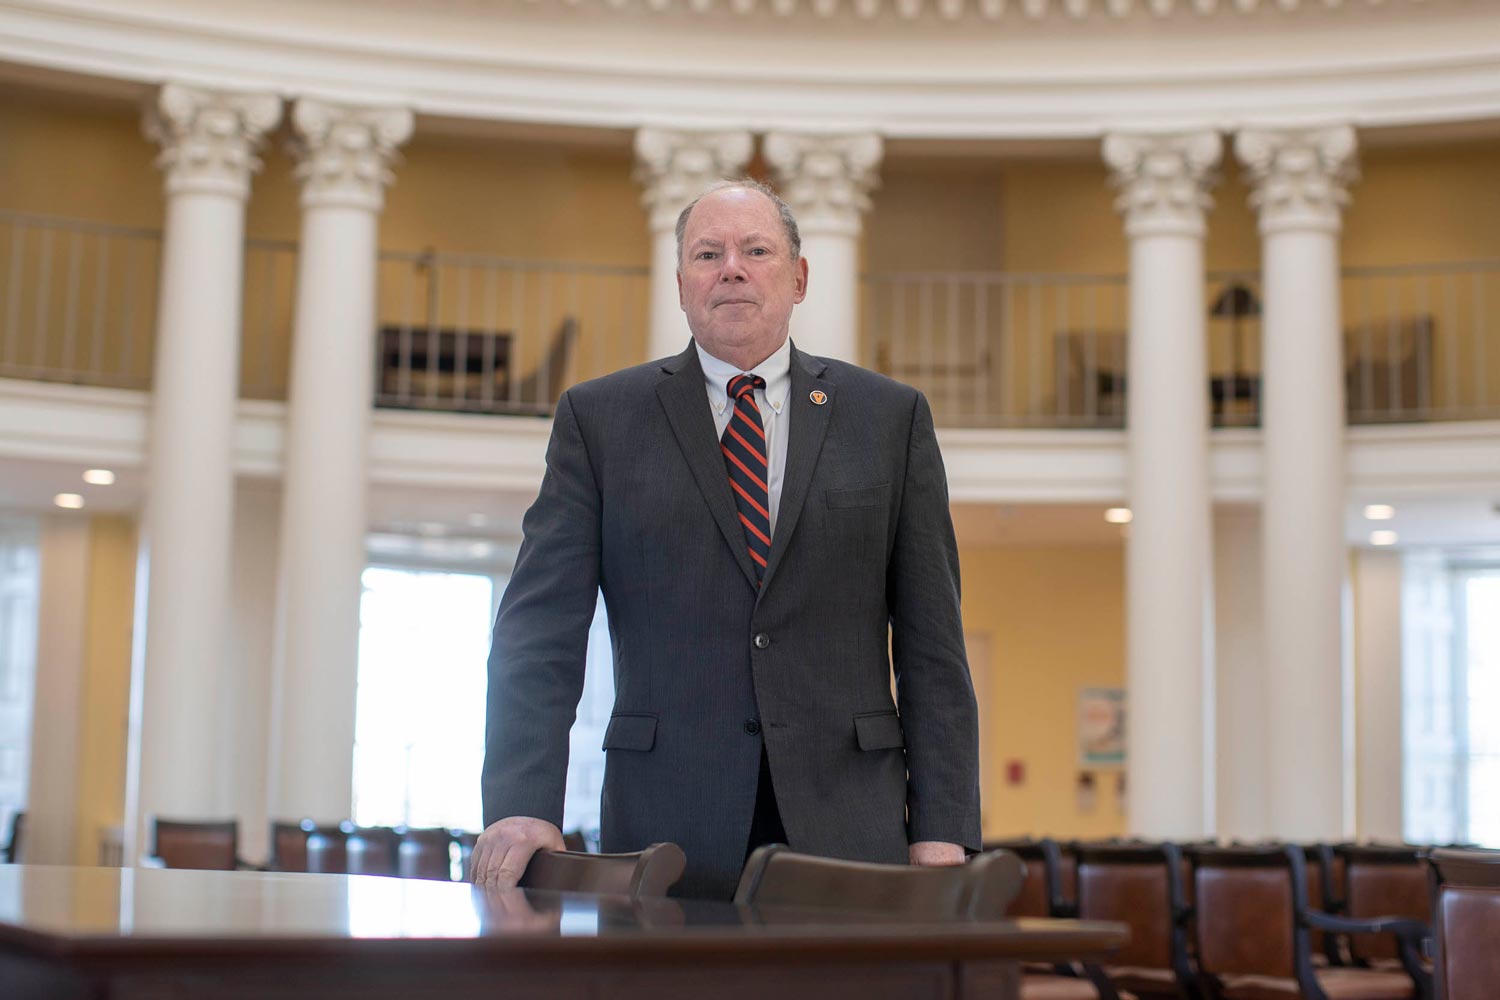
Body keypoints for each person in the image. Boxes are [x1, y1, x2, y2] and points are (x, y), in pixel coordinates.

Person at [470, 179, 980, 899]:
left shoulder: (888, 420)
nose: (732, 268)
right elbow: (538, 632)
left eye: (756, 250)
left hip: (851, 826)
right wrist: (523, 804)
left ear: (798, 277)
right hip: (665, 826)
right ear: (681, 284)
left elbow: (933, 648)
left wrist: (942, 827)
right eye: (707, 254)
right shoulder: (600, 420)